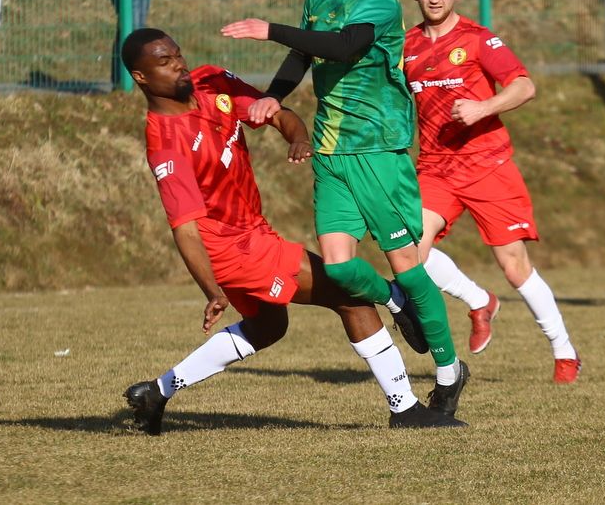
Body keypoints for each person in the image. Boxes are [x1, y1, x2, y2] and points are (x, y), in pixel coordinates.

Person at [120, 28, 465, 434]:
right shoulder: (166, 142)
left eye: (177, 54)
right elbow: (185, 228)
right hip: (235, 249)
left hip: (253, 232)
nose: (179, 64)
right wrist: (211, 290)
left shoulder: (212, 81)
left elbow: (275, 111)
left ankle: (156, 393)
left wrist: (298, 135)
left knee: (268, 328)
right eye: (164, 61)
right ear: (141, 77)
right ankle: (404, 406)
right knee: (351, 299)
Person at [220, 0, 470, 410]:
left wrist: (270, 28)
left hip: (379, 149)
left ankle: (448, 373)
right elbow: (306, 52)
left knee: (407, 265)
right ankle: (396, 301)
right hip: (332, 150)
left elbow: (341, 46)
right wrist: (276, 94)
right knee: (337, 269)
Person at [404, 0, 580, 383]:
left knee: (515, 265)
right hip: (435, 168)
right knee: (409, 254)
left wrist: (485, 107)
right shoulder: (405, 45)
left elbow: (525, 85)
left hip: (488, 166)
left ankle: (565, 352)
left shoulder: (479, 39)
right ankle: (479, 301)